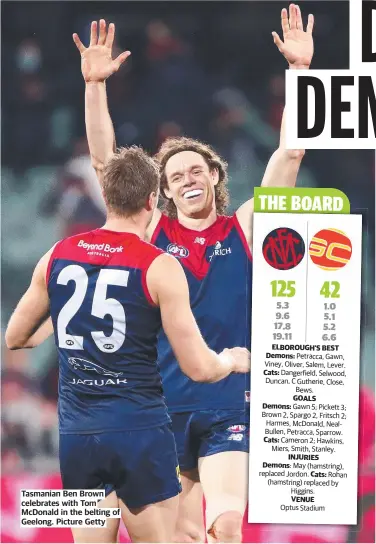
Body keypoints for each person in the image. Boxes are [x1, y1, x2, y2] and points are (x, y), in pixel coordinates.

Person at [77, 5, 314, 541]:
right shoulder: (153, 233)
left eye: (195, 170)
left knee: (227, 526)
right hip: (161, 409)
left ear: (213, 176)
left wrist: (300, 72)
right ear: (162, 191)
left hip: (229, 403)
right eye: (175, 174)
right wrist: (95, 87)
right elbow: (104, 166)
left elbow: (292, 152)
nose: (186, 179)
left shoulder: (246, 229)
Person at [5, 146, 250, 544]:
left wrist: (72, 315)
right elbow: (199, 368)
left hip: (79, 436)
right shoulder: (158, 264)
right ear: (153, 200)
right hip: (141, 431)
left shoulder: (58, 255)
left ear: (105, 195)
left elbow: (16, 337)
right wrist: (233, 360)